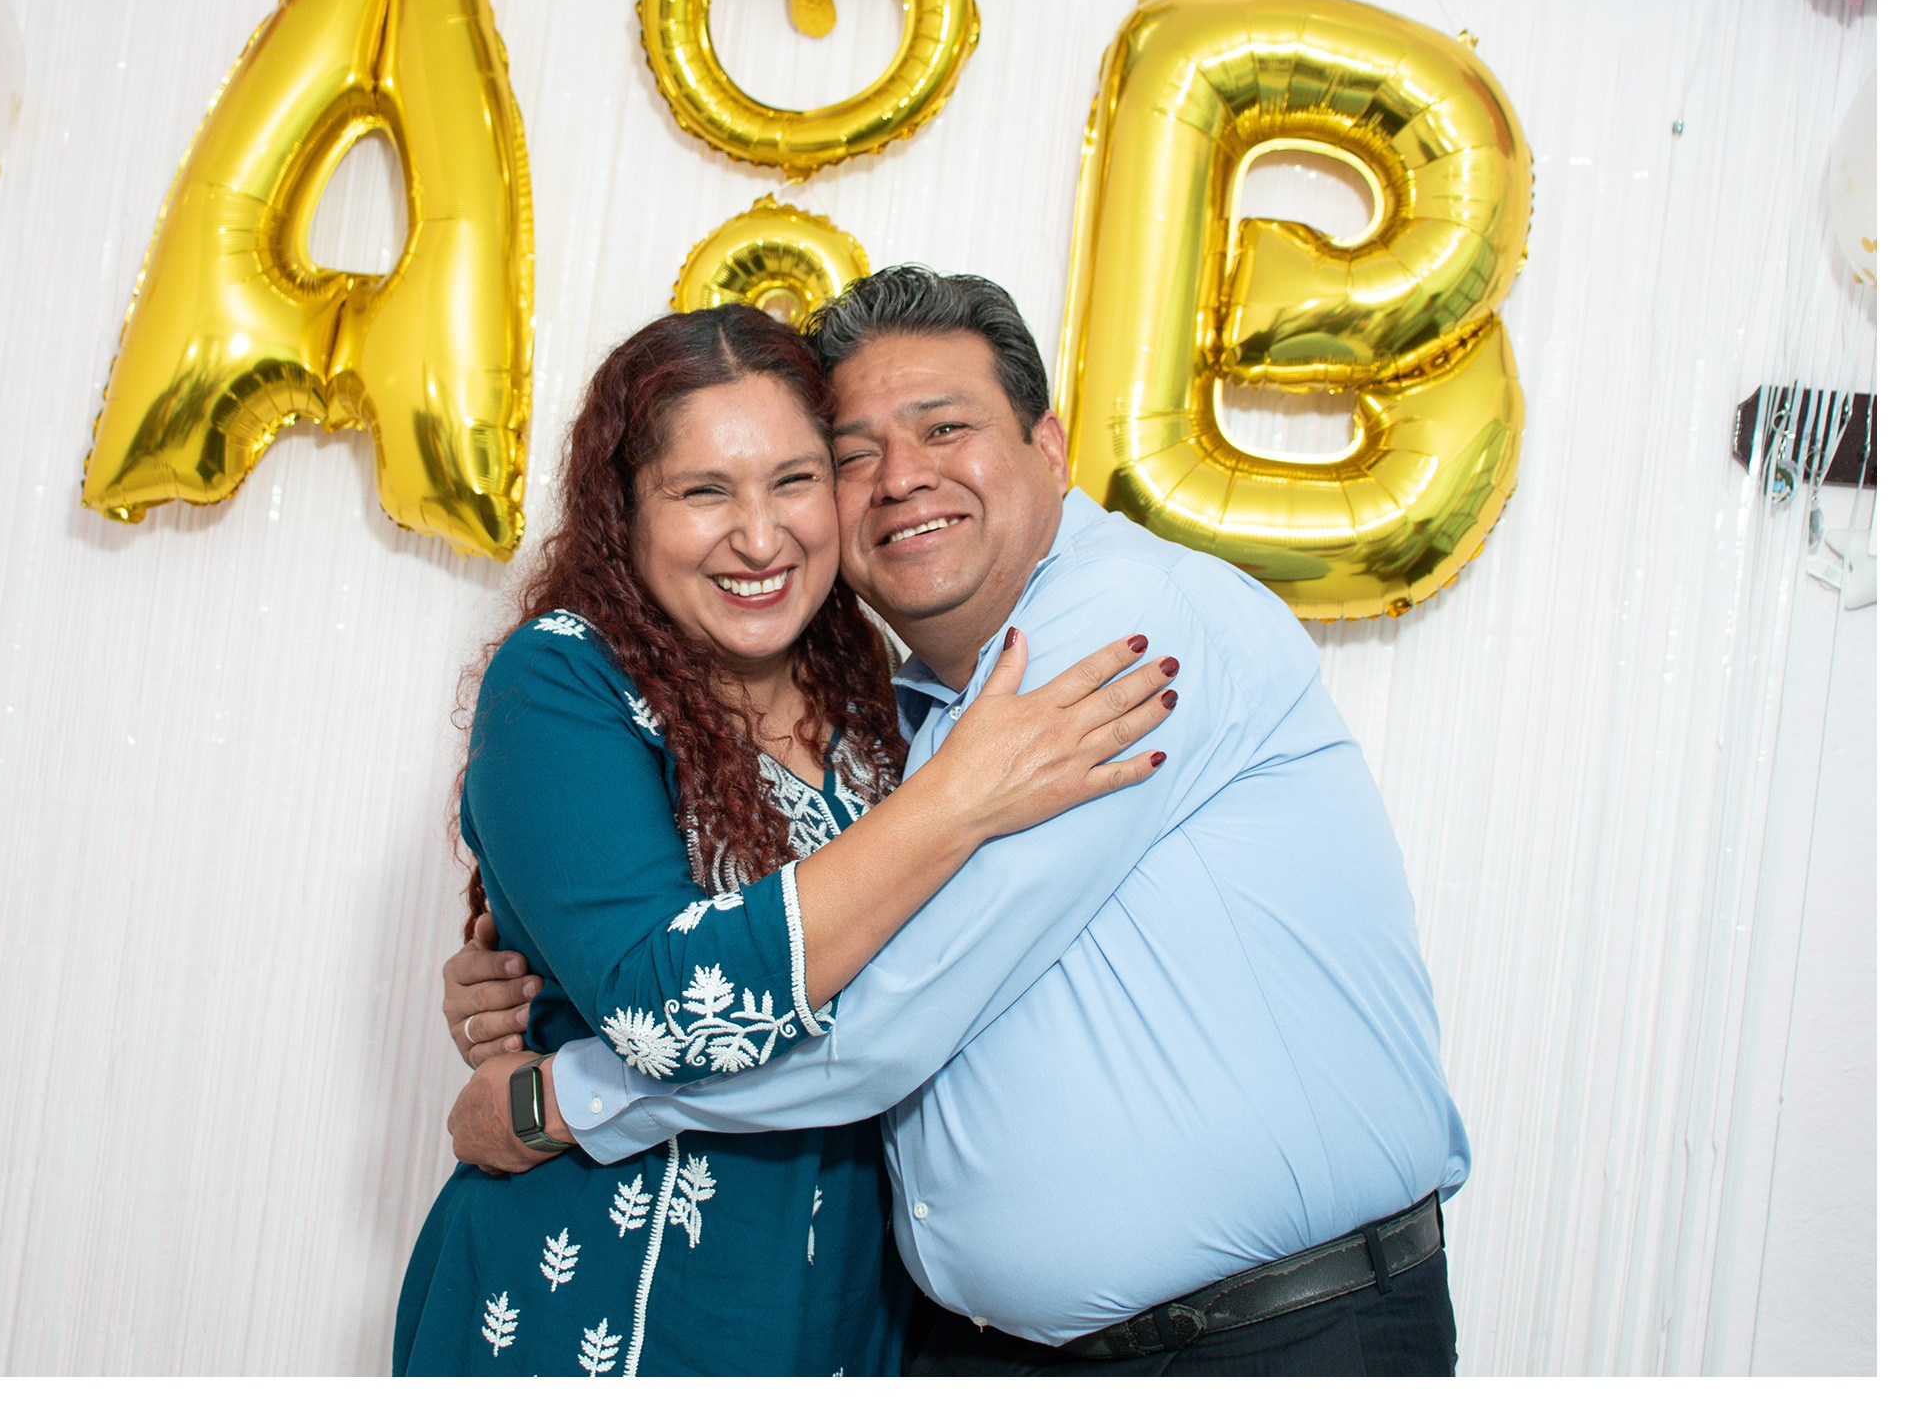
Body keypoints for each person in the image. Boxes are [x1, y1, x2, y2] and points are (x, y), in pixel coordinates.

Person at [446, 266, 1473, 1376]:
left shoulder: (1115, 641)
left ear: (1051, 447)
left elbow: (889, 1015)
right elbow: (665, 938)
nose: (901, 478)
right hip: (900, 1342)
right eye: (855, 454)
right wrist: (533, 973)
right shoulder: (911, 714)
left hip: (1267, 1339)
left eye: (945, 428)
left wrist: (563, 1095)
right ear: (625, 511)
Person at [393, 302, 1176, 1376]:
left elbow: (936, 982)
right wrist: (960, 797)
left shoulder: (878, 694)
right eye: (703, 491)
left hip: (841, 1312)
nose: (760, 538)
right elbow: (668, 1011)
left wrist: (549, 1096)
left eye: (795, 480)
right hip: (607, 1304)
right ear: (624, 510)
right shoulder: (563, 679)